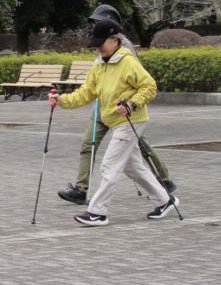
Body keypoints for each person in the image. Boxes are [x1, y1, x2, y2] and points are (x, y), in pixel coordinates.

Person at [49, 20, 179, 226]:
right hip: (114, 120)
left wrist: (131, 104)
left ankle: (98, 212)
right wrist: (62, 101)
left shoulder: (128, 62)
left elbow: (149, 86)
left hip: (131, 119)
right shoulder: (99, 64)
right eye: (96, 43)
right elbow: (86, 93)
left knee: (110, 165)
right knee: (132, 167)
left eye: (102, 42)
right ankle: (165, 200)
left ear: (115, 40)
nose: (99, 47)